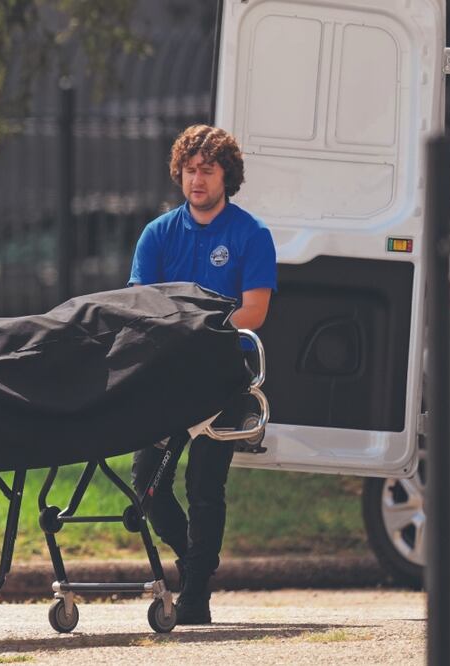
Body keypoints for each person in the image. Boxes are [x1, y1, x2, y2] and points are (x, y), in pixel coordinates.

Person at [128, 124, 276, 624]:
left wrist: (202, 330)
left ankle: (195, 594)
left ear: (225, 177)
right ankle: (194, 564)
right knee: (146, 481)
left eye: (207, 171)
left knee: (205, 485)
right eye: (190, 170)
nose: (197, 180)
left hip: (223, 377)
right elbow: (140, 303)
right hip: (167, 378)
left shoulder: (250, 234)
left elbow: (255, 309)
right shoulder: (158, 234)